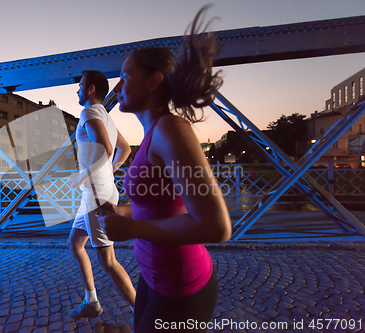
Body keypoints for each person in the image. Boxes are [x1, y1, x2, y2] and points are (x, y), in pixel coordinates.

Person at [98, 7, 232, 333]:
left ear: (153, 81)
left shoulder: (170, 129)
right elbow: (161, 205)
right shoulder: (152, 134)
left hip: (181, 287)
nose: (118, 85)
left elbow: (217, 227)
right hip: (154, 278)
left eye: (126, 76)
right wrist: (124, 212)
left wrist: (133, 230)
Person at [67, 70, 135, 319]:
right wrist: (109, 169)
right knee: (75, 244)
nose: (77, 90)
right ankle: (91, 302)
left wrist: (83, 176)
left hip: (97, 196)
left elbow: (106, 148)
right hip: (96, 193)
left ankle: (141, 312)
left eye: (81, 85)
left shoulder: (88, 112)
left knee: (108, 261)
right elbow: (124, 149)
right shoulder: (105, 116)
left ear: (91, 89)